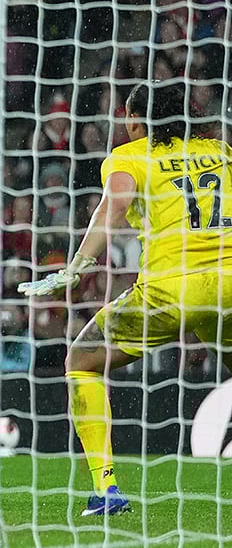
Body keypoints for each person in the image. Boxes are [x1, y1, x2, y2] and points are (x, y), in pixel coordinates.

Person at [18, 82, 232, 517]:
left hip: (172, 289)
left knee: (81, 361)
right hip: (229, 283)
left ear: (135, 120)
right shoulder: (221, 151)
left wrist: (77, 265)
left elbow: (111, 210)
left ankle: (107, 488)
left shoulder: (130, 157)